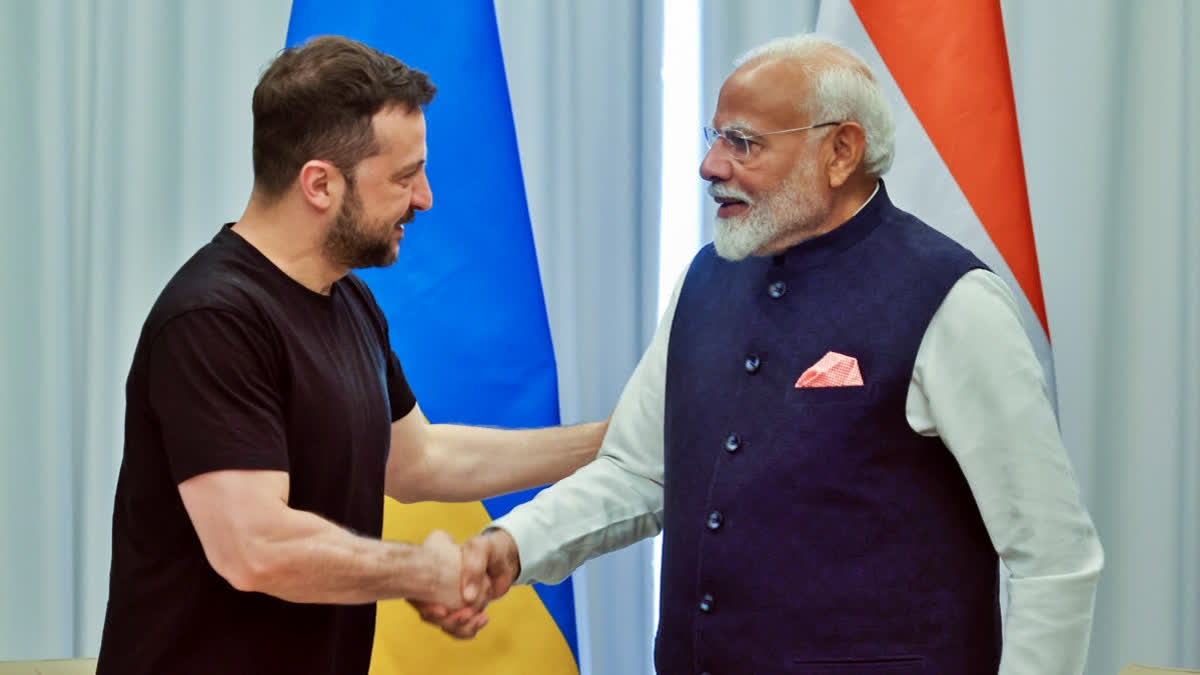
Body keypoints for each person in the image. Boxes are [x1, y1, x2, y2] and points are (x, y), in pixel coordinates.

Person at [422, 34, 1104, 674]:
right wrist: (513, 545)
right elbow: (639, 470)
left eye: (743, 143)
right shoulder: (705, 279)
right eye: (715, 136)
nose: (710, 165)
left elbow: (1054, 561)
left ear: (841, 152)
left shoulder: (953, 301)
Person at [95, 35, 605, 675]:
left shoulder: (349, 299)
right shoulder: (213, 319)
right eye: (404, 176)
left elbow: (420, 459)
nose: (425, 199)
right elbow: (255, 547)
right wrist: (421, 570)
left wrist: (610, 443)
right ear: (319, 184)